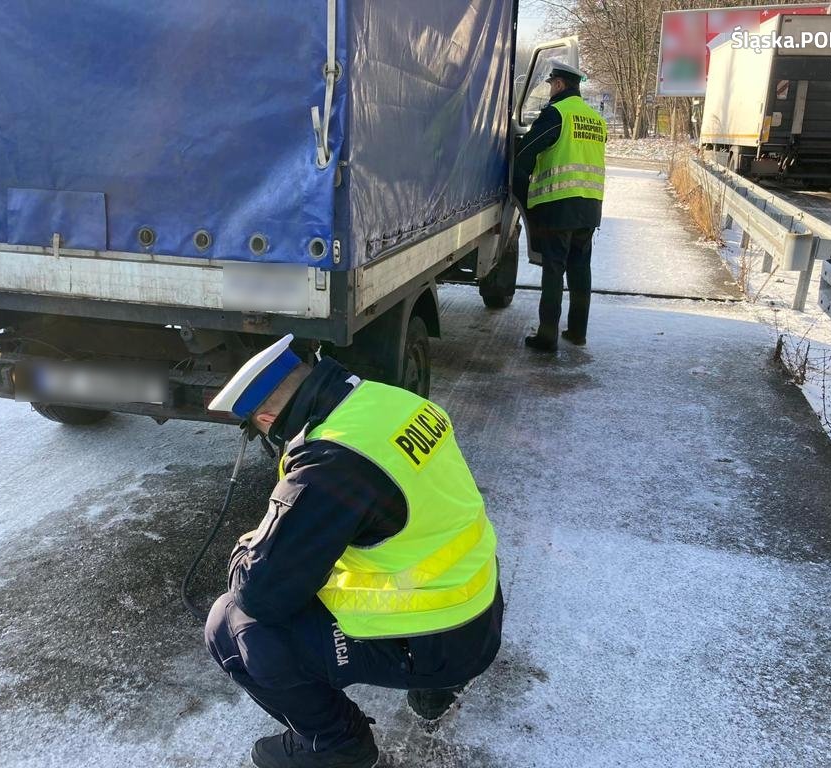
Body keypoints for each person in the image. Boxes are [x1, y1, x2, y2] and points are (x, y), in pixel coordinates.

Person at [203, 334, 504, 768]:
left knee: (232, 623)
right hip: (479, 603)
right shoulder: (386, 401)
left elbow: (261, 593)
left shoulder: (329, 465)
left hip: (440, 638)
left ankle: (336, 745)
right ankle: (437, 689)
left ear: (267, 418)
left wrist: (245, 547)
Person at [514, 59, 607, 353]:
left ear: (559, 84)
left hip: (558, 205)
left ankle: (547, 336)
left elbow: (527, 149)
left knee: (553, 270)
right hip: (590, 207)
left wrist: (518, 184)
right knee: (580, 271)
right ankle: (577, 332)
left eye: (551, 85)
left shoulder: (557, 114)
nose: (550, 91)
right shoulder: (595, 118)